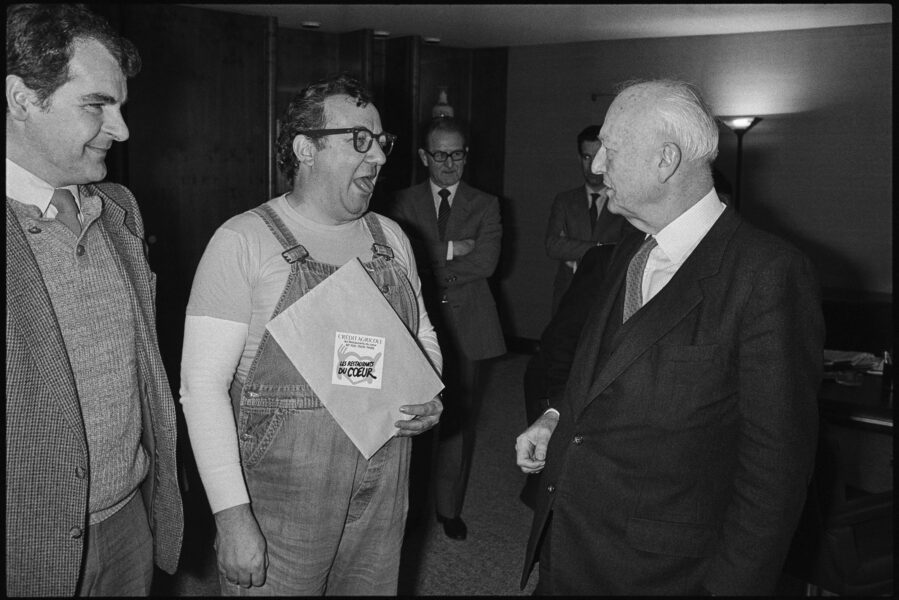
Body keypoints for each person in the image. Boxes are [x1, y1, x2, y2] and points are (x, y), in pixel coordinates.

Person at [515, 79, 824, 595]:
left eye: (610, 151)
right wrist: (557, 420)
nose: (595, 166)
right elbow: (605, 376)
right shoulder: (628, 251)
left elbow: (775, 476)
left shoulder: (767, 273)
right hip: (570, 548)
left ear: (665, 160)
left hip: (664, 575)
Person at [179, 73, 443, 595]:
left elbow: (423, 332)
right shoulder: (242, 241)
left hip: (385, 481)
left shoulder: (390, 238)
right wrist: (232, 518)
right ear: (306, 149)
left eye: (382, 142)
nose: (380, 158)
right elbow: (201, 389)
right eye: (360, 140)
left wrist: (430, 390)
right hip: (283, 492)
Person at [5, 4, 183, 596]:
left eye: (121, 105)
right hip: (24, 544)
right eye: (97, 104)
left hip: (128, 517)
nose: (122, 129)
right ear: (23, 99)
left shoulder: (119, 210)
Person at [391, 117, 506, 540]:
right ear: (424, 156)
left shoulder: (487, 204)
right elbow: (402, 260)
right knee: (409, 418)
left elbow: (487, 264)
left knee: (457, 422)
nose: (448, 163)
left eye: (456, 154)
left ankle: (448, 508)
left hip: (468, 327)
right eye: (439, 154)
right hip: (413, 325)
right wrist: (456, 249)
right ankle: (408, 508)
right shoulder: (401, 202)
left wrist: (432, 262)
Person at [545, 125, 630, 316]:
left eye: (597, 156)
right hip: (567, 297)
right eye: (586, 157)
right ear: (579, 158)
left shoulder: (624, 203)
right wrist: (601, 247)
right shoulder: (565, 200)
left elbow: (623, 251)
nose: (592, 166)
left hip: (607, 299)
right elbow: (552, 245)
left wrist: (573, 249)